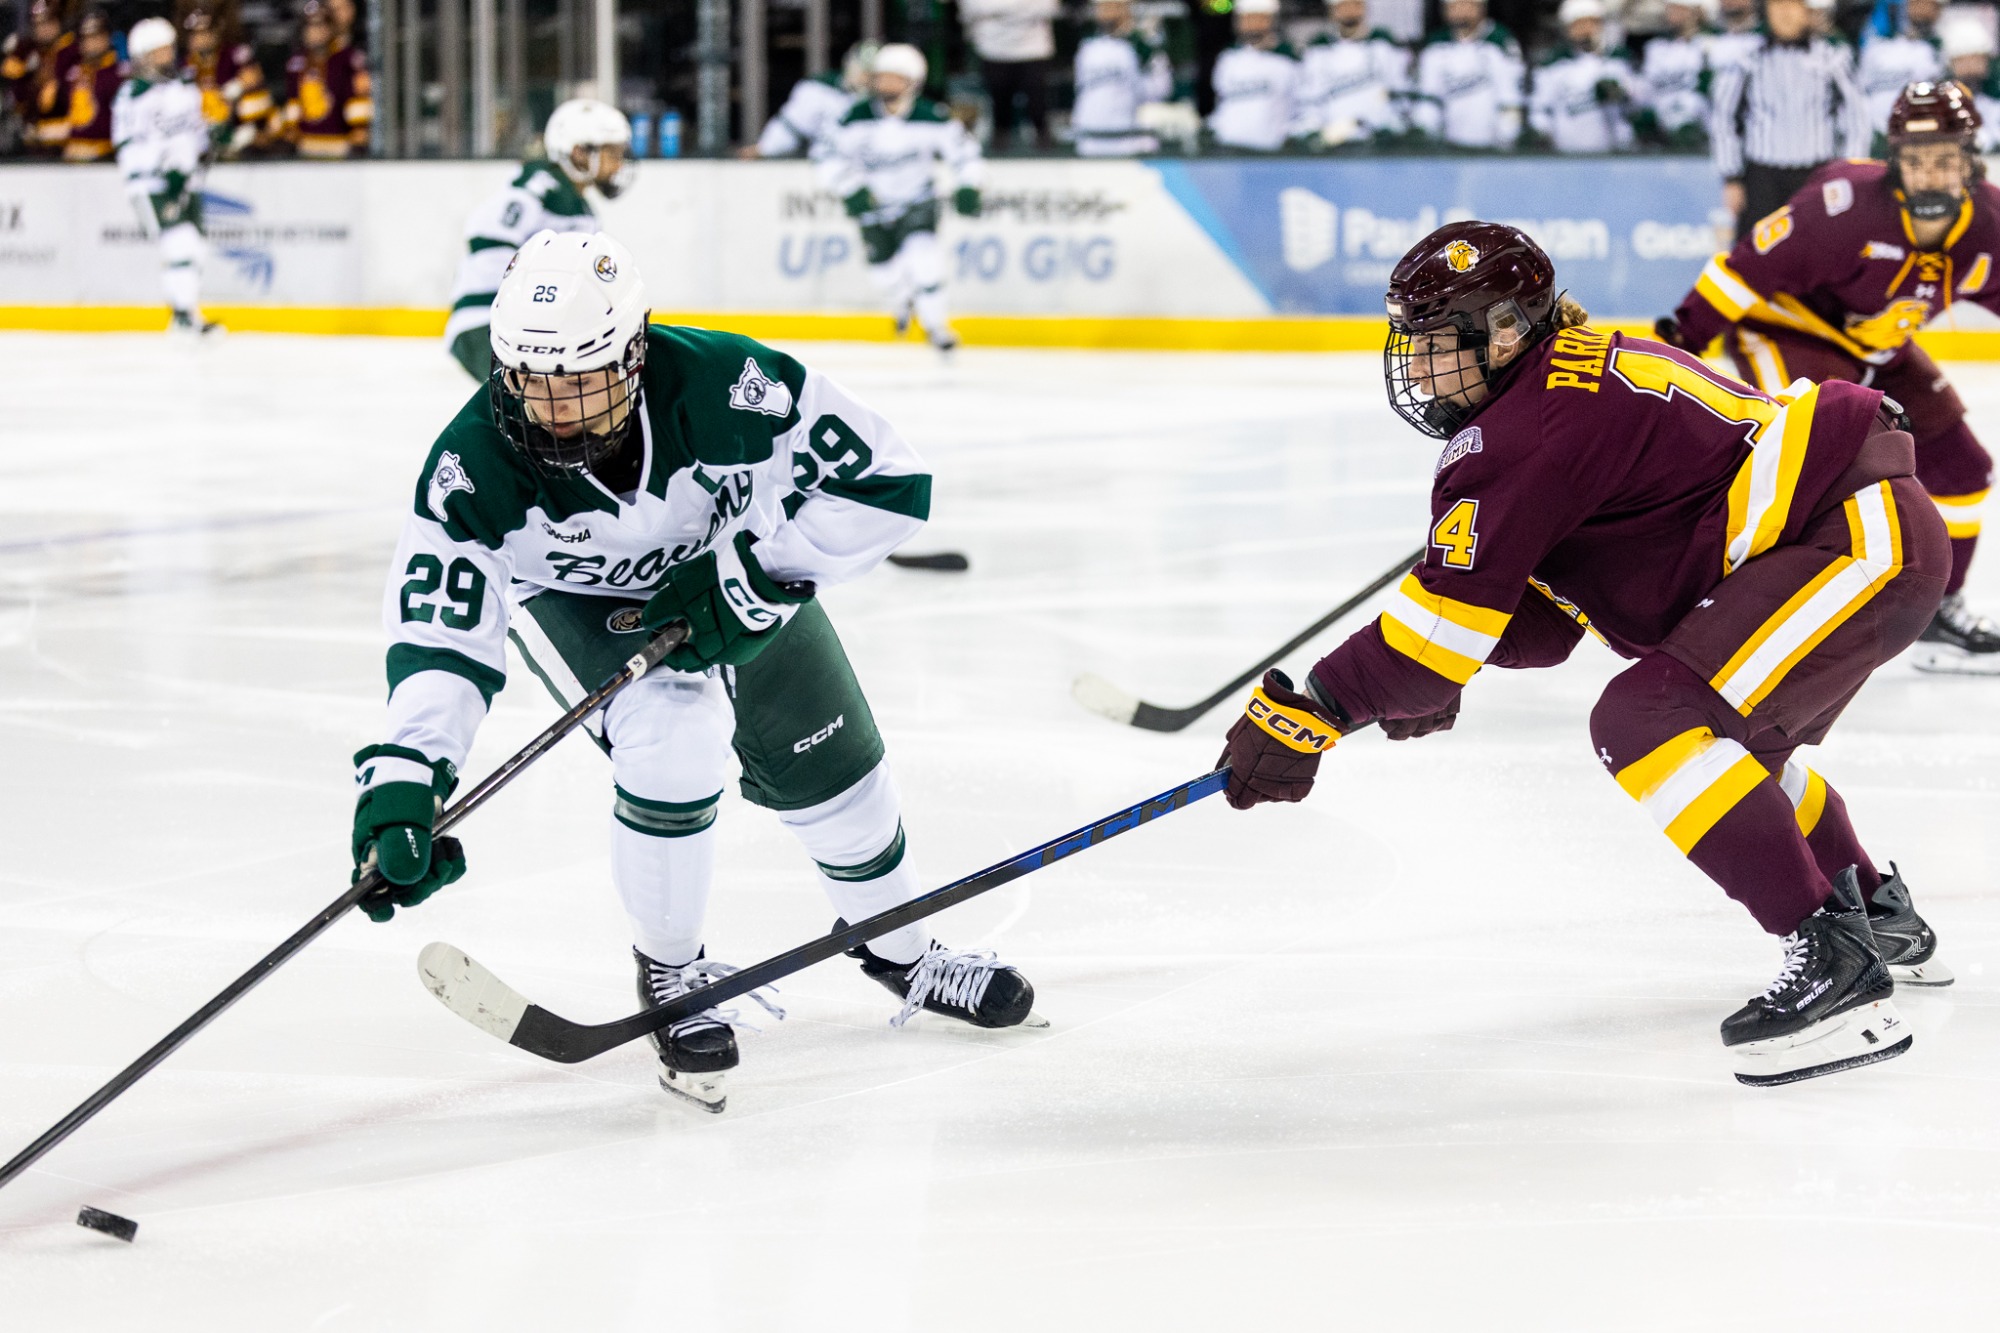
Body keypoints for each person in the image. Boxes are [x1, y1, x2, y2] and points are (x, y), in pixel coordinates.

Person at [1220, 219, 1952, 1088]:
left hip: (1854, 536)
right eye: (1407, 343)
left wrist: (1320, 705)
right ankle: (1872, 913)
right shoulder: (1558, 384)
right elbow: (1546, 622)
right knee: (1733, 749)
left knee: (1645, 719)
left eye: (1433, 344)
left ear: (1502, 331)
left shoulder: (1528, 430)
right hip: (1854, 527)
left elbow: (1432, 643)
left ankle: (1835, 968)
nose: (1415, 367)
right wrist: (1450, 655)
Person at [352, 230, 1037, 1112]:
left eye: (582, 383)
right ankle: (671, 973)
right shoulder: (471, 468)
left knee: (842, 781)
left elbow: (891, 482)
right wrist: (406, 775)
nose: (554, 411)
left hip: (736, 576)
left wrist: (762, 576)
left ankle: (901, 948)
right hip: (580, 603)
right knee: (674, 730)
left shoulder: (730, 387)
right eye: (533, 383)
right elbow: (442, 635)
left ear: (634, 353)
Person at [1659, 81, 2000, 668]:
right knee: (1815, 464)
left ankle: (1941, 609)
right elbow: (1737, 272)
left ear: (1972, 161)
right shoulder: (1841, 207)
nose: (1932, 174)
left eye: (1947, 158)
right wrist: (1680, 341)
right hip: (1786, 328)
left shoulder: (1991, 224)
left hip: (1878, 344)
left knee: (1964, 468)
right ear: (1896, 162)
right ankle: (1729, 602)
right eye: (1917, 160)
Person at [442, 98, 630, 378]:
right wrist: (525, 310)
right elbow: (485, 238)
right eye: (611, 154)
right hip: (484, 325)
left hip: (516, 329)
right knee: (531, 410)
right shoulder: (536, 191)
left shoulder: (578, 207)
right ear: (579, 152)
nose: (618, 165)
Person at [815, 44, 983, 352]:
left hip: (917, 202)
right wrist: (850, 189)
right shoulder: (853, 117)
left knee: (924, 260)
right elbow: (827, 157)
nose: (886, 85)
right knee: (883, 272)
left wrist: (968, 185)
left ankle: (936, 327)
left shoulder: (932, 117)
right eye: (882, 78)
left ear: (913, 82)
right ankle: (902, 299)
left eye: (895, 78)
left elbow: (965, 153)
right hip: (873, 206)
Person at [1709, 0, 1869, 239]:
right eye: (1777, 5)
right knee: (1755, 257)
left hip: (1816, 174)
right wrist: (1731, 177)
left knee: (1818, 253)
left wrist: (1849, 172)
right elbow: (1723, 116)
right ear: (1766, 11)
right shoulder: (1747, 60)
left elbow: (1857, 115)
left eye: (1793, 4)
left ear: (1807, 11)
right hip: (1761, 177)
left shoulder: (1832, 58)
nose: (1784, 13)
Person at [113, 17, 219, 336]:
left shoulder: (185, 88)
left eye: (168, 49)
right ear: (143, 55)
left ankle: (184, 314)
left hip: (187, 180)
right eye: (158, 51)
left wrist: (215, 137)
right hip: (152, 184)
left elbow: (193, 134)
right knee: (180, 245)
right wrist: (161, 168)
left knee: (197, 249)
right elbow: (127, 144)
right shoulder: (133, 95)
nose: (166, 56)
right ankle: (184, 316)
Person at [1293, 0, 1411, 149]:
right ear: (1332, 11)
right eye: (1343, 6)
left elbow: (1400, 92)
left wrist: (1393, 127)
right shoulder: (1318, 50)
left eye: (1355, 5)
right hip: (1332, 146)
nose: (1350, 11)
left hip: (1378, 145)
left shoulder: (1384, 45)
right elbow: (1310, 99)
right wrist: (1312, 130)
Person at [1529, 0, 1641, 154]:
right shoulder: (1553, 64)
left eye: (1591, 23)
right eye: (1579, 24)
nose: (1586, 30)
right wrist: (1544, 134)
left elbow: (1640, 100)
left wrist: (1620, 92)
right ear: (1567, 29)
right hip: (1568, 153)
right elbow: (1540, 109)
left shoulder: (1618, 58)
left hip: (1614, 153)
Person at [1411, 0, 1525, 150]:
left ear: (1481, 8)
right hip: (1448, 147)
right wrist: (1429, 135)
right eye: (1453, 6)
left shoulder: (1500, 40)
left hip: (1491, 147)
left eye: (1467, 5)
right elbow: (1428, 97)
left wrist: (1506, 138)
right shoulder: (1435, 44)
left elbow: (1510, 96)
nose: (1460, 12)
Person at [1070, 0, 1172, 156]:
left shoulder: (1142, 46)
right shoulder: (1088, 48)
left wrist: (1151, 50)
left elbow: (1161, 89)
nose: (1110, 12)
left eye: (1117, 6)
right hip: (1089, 133)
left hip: (1124, 133)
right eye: (1105, 6)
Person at [743, 41, 874, 159]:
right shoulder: (820, 89)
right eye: (863, 69)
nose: (865, 76)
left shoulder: (884, 101)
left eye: (872, 72)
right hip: (830, 166)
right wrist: (765, 148)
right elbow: (793, 126)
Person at [958, 0, 1058, 150]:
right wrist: (1023, 8)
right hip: (993, 49)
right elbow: (973, 7)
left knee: (1037, 103)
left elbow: (1049, 7)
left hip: (1033, 49)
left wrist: (997, 11)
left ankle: (1043, 141)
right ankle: (1000, 143)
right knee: (999, 105)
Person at [1206, 0, 1300, 153]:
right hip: (1229, 147)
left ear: (1270, 20)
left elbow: (1300, 103)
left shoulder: (1286, 58)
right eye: (1246, 19)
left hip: (1270, 151)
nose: (1252, 25)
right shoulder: (1228, 57)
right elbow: (1220, 99)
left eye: (1258, 18)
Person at [282, 0, 371, 157]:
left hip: (339, 146)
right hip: (305, 146)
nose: (315, 32)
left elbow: (357, 101)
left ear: (331, 28)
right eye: (309, 26)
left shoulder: (347, 59)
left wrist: (359, 130)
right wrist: (290, 132)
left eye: (320, 25)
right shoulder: (296, 63)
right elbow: (293, 102)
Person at [182, 6, 272, 157]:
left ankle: (239, 140)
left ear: (216, 31)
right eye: (196, 34)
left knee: (255, 99)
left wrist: (238, 85)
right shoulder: (186, 63)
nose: (201, 38)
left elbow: (254, 75)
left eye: (205, 32)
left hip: (234, 121)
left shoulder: (233, 53)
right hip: (201, 127)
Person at [1857, 0, 1944, 134]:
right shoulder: (1874, 49)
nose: (1920, 10)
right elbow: (1861, 90)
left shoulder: (1930, 49)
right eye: (1916, 4)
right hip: (1874, 129)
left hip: (1915, 127)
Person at [2, 0, 76, 157]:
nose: (43, 29)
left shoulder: (70, 51)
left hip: (62, 132)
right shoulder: (28, 50)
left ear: (57, 23)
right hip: (31, 134)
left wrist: (58, 87)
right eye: (38, 25)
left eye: (48, 23)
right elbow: (15, 89)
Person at [1638, 0, 1716, 148]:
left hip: (1703, 131)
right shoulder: (1655, 47)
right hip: (1661, 132)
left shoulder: (1711, 43)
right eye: (1671, 9)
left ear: (1695, 12)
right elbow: (1646, 91)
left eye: (1680, 9)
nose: (1674, 15)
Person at [59, 7, 118, 160]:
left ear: (107, 38)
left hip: (106, 156)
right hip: (71, 153)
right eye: (86, 38)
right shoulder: (73, 73)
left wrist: (99, 150)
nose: (91, 44)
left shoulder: (118, 75)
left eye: (96, 37)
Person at [1940, 15, 2000, 151]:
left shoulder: (1993, 101)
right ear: (1952, 63)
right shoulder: (1943, 104)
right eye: (1965, 60)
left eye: (1978, 59)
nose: (1972, 67)